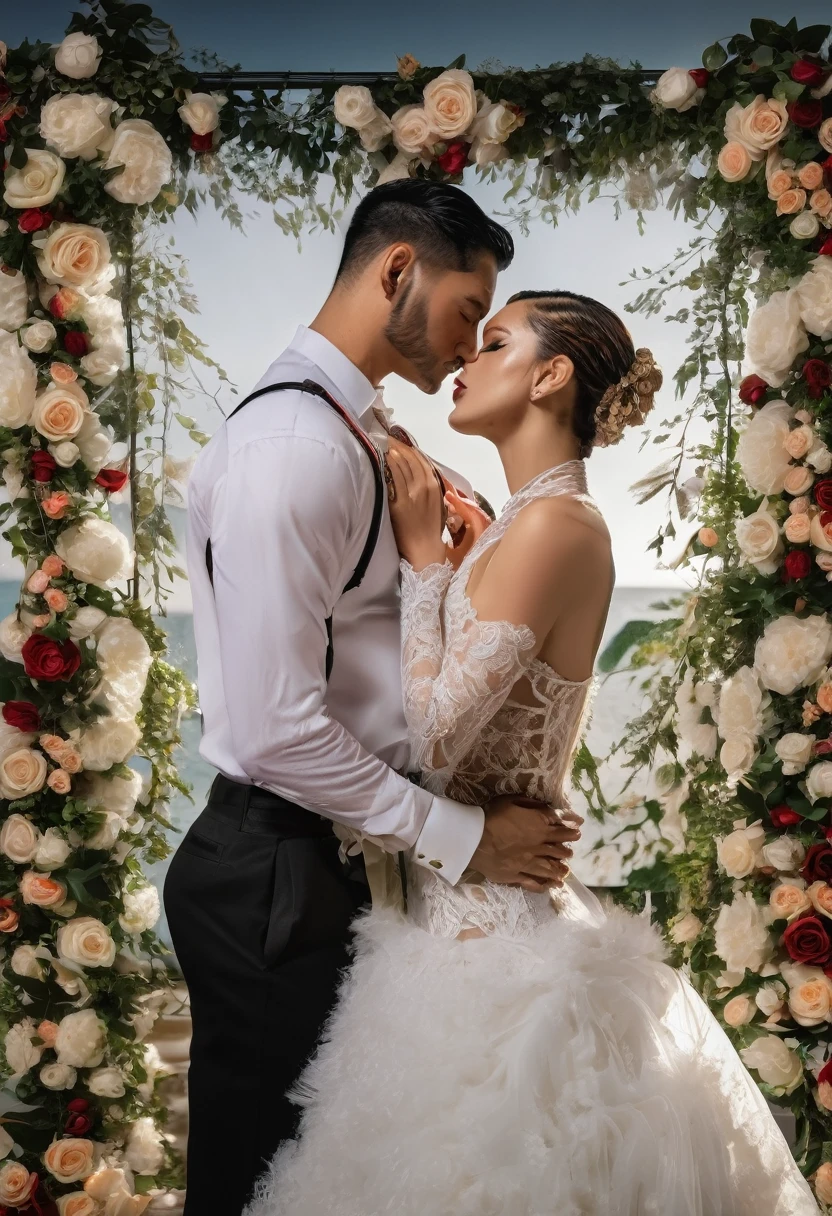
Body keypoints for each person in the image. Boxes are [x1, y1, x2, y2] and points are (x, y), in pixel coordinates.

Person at [245, 291, 820, 1216]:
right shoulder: (520, 524)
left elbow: (431, 735)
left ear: (550, 377)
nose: (467, 357)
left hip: (491, 944)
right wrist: (455, 559)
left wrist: (426, 556)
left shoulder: (557, 526)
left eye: (498, 341)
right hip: (456, 923)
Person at [163, 182, 581, 1216]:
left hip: (329, 862)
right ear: (398, 270)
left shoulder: (360, 435)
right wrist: (461, 837)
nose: (466, 344)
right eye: (463, 311)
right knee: (261, 1183)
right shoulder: (296, 449)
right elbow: (271, 726)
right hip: (276, 878)